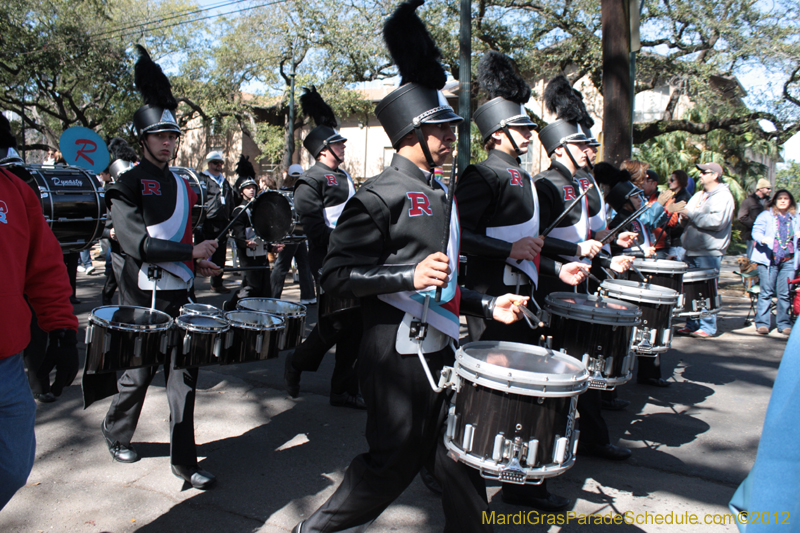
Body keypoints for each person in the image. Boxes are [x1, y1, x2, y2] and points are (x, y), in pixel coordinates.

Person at [292, 4, 528, 532]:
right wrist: (407, 276)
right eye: (441, 129)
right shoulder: (378, 195)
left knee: (459, 460)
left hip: (441, 346)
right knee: (391, 465)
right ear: (411, 134)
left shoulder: (442, 191)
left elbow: (444, 281)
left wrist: (488, 303)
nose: (451, 138)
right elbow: (335, 278)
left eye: (451, 129)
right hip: (394, 357)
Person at [456, 52, 594, 512]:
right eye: (522, 127)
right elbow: (459, 236)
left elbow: (529, 244)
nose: (531, 134)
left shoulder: (525, 178)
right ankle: (452, 470)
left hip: (525, 294)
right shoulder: (482, 174)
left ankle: (519, 482)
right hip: (491, 297)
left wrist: (557, 269)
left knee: (525, 388)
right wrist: (506, 252)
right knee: (489, 390)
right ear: (498, 133)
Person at [82, 46, 221, 490]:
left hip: (181, 294)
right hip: (140, 293)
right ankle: (116, 429)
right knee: (138, 374)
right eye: (159, 136)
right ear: (142, 139)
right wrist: (190, 252)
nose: (167, 142)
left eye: (172, 136)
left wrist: (199, 262)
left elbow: (181, 237)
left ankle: (185, 462)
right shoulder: (125, 185)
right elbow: (136, 244)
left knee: (184, 376)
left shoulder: (183, 184)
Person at [533, 75, 632, 462]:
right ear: (560, 148)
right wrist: (574, 251)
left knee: (582, 359)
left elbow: (589, 236)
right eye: (581, 144)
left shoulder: (581, 184)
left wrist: (608, 253)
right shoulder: (544, 185)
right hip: (548, 283)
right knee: (559, 363)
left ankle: (591, 436)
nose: (590, 150)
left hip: (578, 283)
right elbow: (534, 241)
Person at [0, 115, 79, 509]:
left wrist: (63, 330)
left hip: (7, 366)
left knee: (13, 467)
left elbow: (45, 267)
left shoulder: (15, 191)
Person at [283, 87, 364, 408]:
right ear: (323, 149)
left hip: (353, 256)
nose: (343, 145)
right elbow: (315, 230)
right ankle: (296, 362)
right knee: (336, 322)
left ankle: (342, 390)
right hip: (328, 259)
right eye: (337, 142)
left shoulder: (344, 176)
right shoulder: (310, 180)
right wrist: (349, 244)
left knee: (355, 324)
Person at [676, 162, 735, 338]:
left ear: (715, 175)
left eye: (704, 172)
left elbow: (717, 222)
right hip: (691, 249)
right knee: (689, 289)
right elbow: (686, 215)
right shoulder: (698, 195)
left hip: (708, 252)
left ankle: (708, 327)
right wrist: (682, 217)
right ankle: (692, 323)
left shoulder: (723, 196)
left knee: (706, 290)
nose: (700, 175)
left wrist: (691, 214)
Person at [223, 172, 283, 310]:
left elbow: (262, 233)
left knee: (265, 289)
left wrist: (271, 247)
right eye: (248, 188)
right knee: (251, 287)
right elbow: (238, 235)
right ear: (241, 192)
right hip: (248, 256)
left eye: (253, 187)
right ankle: (230, 307)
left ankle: (261, 314)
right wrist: (245, 243)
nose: (252, 190)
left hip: (261, 254)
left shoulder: (258, 209)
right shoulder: (239, 211)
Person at [751, 189, 800, 335]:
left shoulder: (796, 218)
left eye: (786, 198)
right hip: (768, 260)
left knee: (784, 294)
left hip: (789, 260)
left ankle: (784, 323)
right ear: (774, 201)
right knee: (766, 292)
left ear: (790, 201)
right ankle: (762, 323)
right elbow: (756, 231)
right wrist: (762, 239)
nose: (783, 201)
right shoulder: (766, 215)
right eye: (780, 198)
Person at [270, 164, 316, 303]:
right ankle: (273, 296)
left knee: (301, 262)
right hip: (297, 230)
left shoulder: (281, 192)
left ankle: (307, 296)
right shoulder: (302, 190)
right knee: (285, 264)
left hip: (288, 231)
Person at [199, 150, 234, 293]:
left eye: (220, 163)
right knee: (200, 253)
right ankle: (190, 284)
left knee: (220, 254)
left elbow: (230, 199)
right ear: (209, 164)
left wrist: (230, 217)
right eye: (215, 162)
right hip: (206, 222)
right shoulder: (202, 179)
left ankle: (217, 283)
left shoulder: (224, 181)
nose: (219, 165)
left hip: (222, 222)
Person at [656, 169, 692, 260]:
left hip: (677, 243)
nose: (669, 182)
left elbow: (679, 223)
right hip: (671, 241)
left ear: (680, 181)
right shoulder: (675, 196)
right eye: (669, 179)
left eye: (672, 180)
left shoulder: (684, 198)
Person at [738, 178, 772, 259]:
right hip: (751, 237)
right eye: (767, 188)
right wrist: (756, 225)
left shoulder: (771, 202)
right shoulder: (748, 201)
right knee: (752, 260)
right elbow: (741, 217)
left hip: (768, 236)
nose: (769, 190)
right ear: (760, 189)